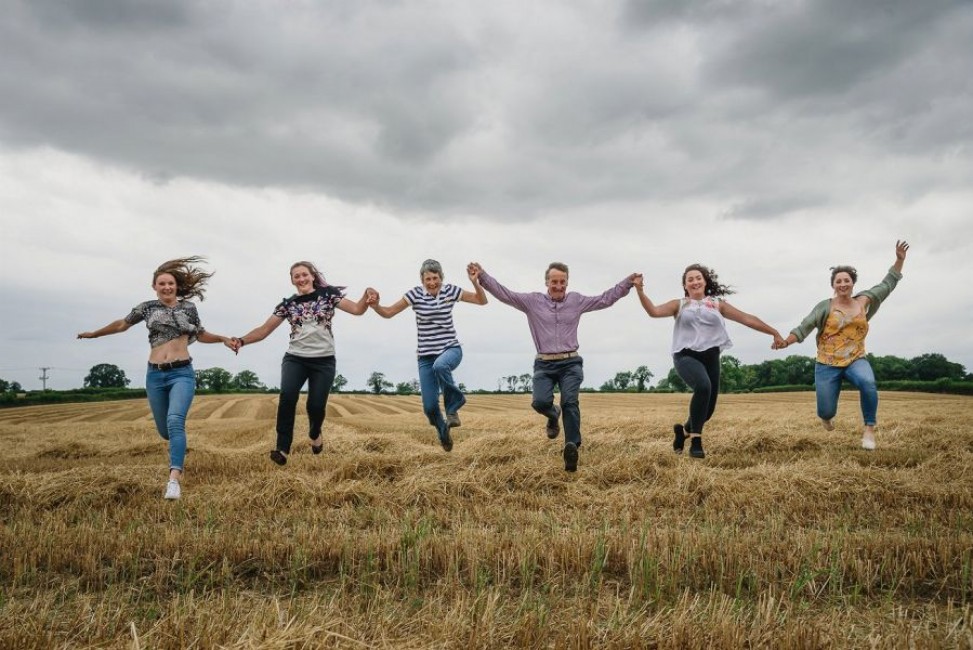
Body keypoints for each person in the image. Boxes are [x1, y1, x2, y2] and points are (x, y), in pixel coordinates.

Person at [77, 256, 235, 500]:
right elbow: (121, 324)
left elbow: (201, 334)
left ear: (176, 286)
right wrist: (95, 334)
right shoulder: (147, 307)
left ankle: (174, 480)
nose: (167, 287)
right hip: (155, 376)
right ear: (154, 286)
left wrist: (223, 338)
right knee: (166, 432)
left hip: (181, 372)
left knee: (174, 421)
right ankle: (178, 449)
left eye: (170, 283)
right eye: (161, 284)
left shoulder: (189, 308)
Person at [470, 261, 638, 472]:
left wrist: (628, 283)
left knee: (570, 402)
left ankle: (572, 447)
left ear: (567, 282)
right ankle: (552, 414)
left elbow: (605, 299)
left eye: (562, 282)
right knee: (539, 402)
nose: (558, 286)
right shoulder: (532, 302)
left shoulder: (576, 301)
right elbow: (506, 294)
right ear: (547, 282)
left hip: (571, 363)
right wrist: (483, 277)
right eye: (554, 282)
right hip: (544, 364)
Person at [231, 261, 374, 466]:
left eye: (304, 274)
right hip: (295, 358)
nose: (301, 279)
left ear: (312, 276)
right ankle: (282, 448)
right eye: (296, 276)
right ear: (292, 280)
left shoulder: (328, 295)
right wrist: (242, 340)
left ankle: (315, 433)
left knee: (315, 406)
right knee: (287, 396)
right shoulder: (288, 305)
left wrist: (366, 296)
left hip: (324, 361)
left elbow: (358, 309)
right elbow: (264, 330)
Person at [634, 265, 784, 459]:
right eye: (690, 279)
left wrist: (773, 332)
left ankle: (684, 432)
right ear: (685, 285)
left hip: (711, 357)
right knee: (703, 386)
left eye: (698, 278)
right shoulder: (679, 304)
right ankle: (696, 441)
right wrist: (640, 290)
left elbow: (747, 318)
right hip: (685, 355)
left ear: (705, 281)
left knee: (708, 410)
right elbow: (653, 311)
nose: (695, 282)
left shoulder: (717, 303)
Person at [776, 240, 909, 450]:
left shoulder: (865, 301)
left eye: (846, 280)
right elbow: (804, 327)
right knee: (826, 411)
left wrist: (899, 260)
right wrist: (786, 342)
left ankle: (869, 430)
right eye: (838, 281)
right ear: (833, 285)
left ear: (852, 283)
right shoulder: (825, 307)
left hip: (856, 358)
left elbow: (888, 283)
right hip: (827, 363)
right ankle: (827, 418)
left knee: (868, 383)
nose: (843, 284)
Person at [369, 259, 488, 451]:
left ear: (441, 277)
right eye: (428, 279)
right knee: (430, 408)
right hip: (425, 357)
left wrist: (475, 282)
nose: (432, 282)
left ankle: (453, 407)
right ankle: (443, 431)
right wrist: (376, 306)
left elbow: (482, 301)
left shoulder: (451, 291)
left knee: (440, 365)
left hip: (450, 349)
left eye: (435, 278)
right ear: (421, 280)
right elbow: (389, 312)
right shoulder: (415, 295)